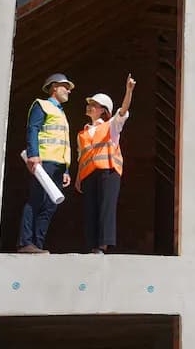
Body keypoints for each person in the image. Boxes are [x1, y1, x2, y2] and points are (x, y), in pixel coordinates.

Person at [77, 73, 136, 254]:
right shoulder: (82, 133)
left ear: (103, 110)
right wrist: (78, 178)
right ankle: (92, 245)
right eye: (90, 104)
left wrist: (128, 91)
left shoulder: (111, 126)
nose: (90, 106)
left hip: (108, 172)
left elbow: (123, 111)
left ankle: (102, 245)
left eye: (94, 105)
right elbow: (81, 157)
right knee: (90, 209)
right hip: (88, 175)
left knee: (106, 207)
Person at [18, 73, 74, 254]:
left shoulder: (61, 112)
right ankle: (26, 242)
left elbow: (63, 142)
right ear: (54, 87)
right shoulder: (41, 105)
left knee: (50, 206)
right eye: (65, 87)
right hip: (44, 161)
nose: (69, 91)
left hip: (58, 165)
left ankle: (37, 245)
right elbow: (33, 129)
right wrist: (33, 154)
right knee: (36, 200)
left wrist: (66, 169)